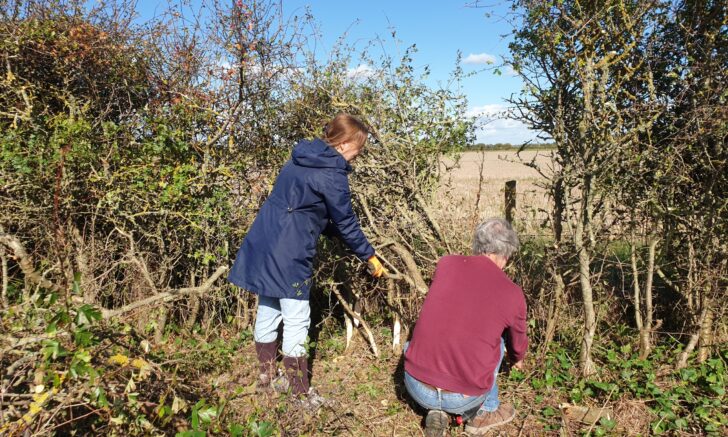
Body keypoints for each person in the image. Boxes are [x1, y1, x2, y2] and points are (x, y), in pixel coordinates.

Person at [228, 113, 386, 406]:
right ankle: (298, 392)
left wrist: (329, 229)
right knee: (298, 316)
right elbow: (346, 221)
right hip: (290, 252)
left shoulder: (302, 157)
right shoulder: (331, 172)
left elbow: (304, 205)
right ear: (344, 143)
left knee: (269, 307)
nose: (359, 153)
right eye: (358, 147)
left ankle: (266, 379)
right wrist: (369, 255)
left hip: (265, 240)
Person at [403, 218, 528, 436]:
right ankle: (485, 412)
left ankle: (435, 409)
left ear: (477, 243)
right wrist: (517, 359)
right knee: (497, 341)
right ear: (507, 253)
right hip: (463, 397)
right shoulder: (512, 293)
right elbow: (517, 346)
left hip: (415, 386)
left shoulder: (446, 264)